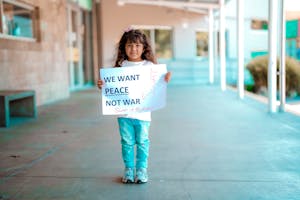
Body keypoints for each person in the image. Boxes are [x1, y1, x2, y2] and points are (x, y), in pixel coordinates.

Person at [97, 28, 171, 184]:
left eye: (137, 45)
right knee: (127, 142)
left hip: (143, 115)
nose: (134, 49)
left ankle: (142, 170)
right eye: (130, 45)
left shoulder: (149, 66)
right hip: (124, 115)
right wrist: (102, 85)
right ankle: (129, 169)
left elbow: (158, 84)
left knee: (143, 142)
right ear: (124, 47)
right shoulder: (120, 67)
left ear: (144, 48)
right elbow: (112, 88)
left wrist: (165, 78)